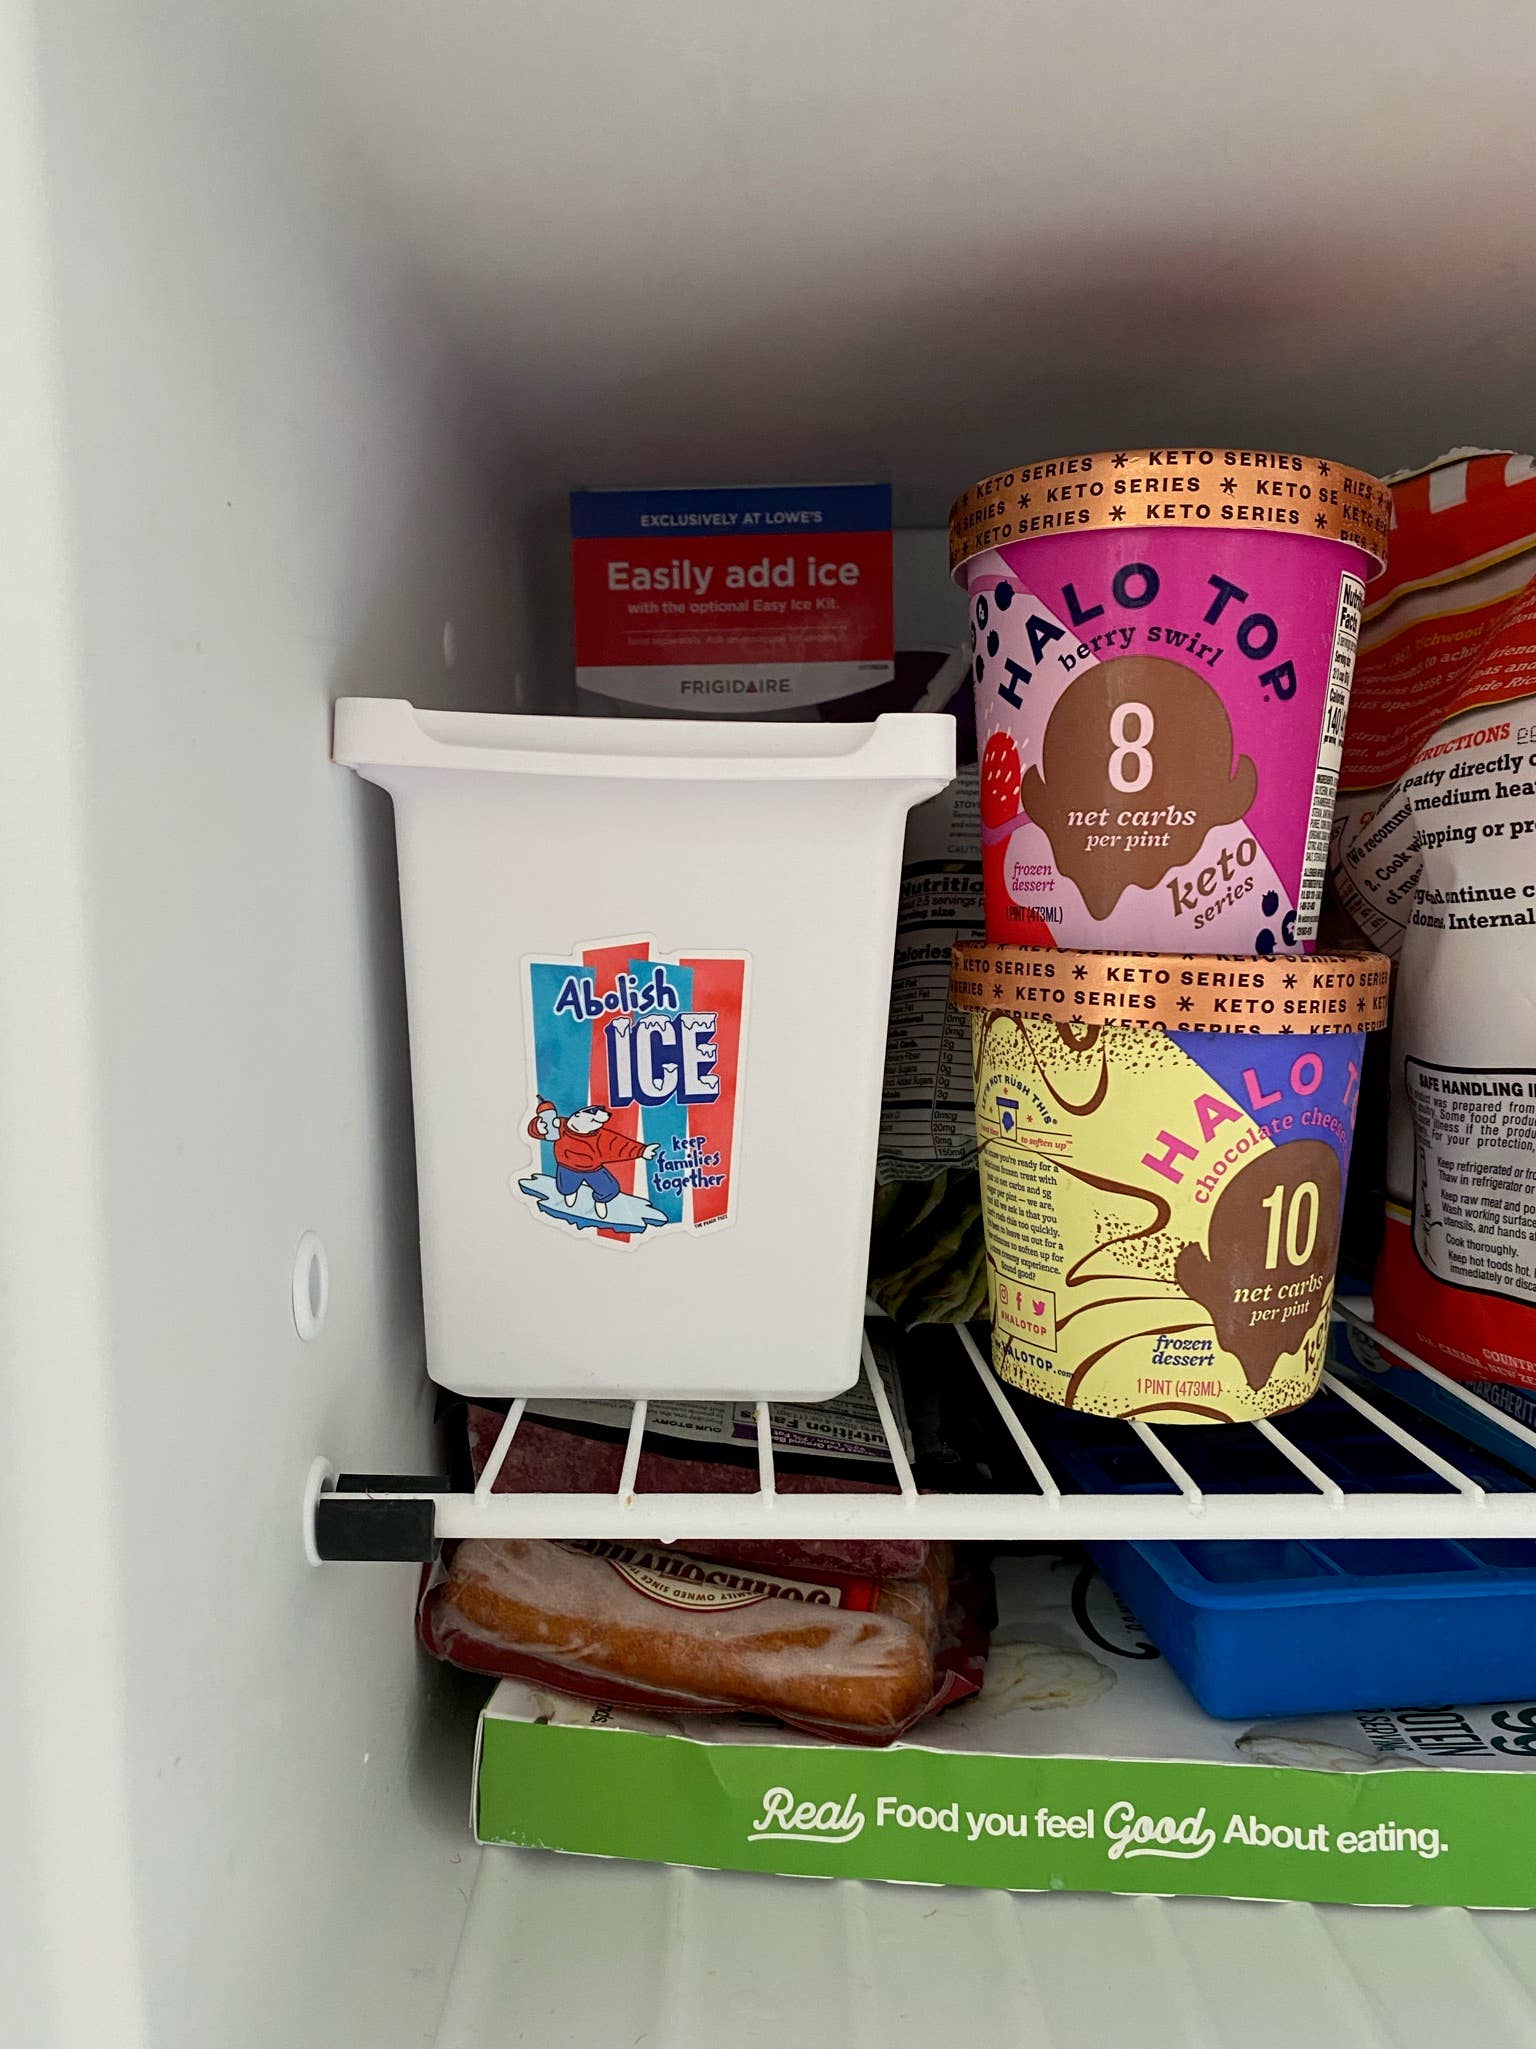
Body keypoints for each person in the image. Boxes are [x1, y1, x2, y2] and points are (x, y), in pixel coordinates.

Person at [535, 1101, 658, 1221]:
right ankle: (570, 1193)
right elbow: (538, 1131)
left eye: (595, 1122)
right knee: (565, 1188)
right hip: (567, 1167)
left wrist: (642, 1151)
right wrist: (538, 1128)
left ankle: (600, 1201)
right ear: (577, 1115)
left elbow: (620, 1145)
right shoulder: (559, 1126)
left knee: (610, 1189)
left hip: (593, 1170)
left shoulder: (601, 1136)